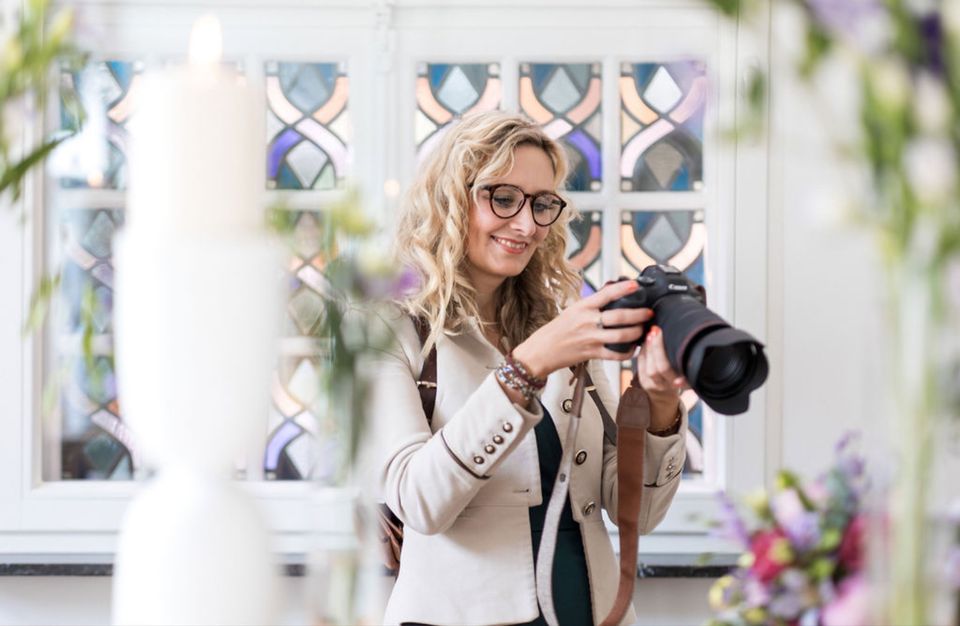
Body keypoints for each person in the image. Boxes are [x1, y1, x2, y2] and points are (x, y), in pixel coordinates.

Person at [370, 111, 688, 626]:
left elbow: (638, 513)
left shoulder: (559, 321)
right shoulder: (386, 328)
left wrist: (662, 405)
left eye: (542, 204)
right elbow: (420, 502)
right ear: (451, 198)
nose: (527, 224)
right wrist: (527, 367)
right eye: (503, 197)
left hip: (591, 610)